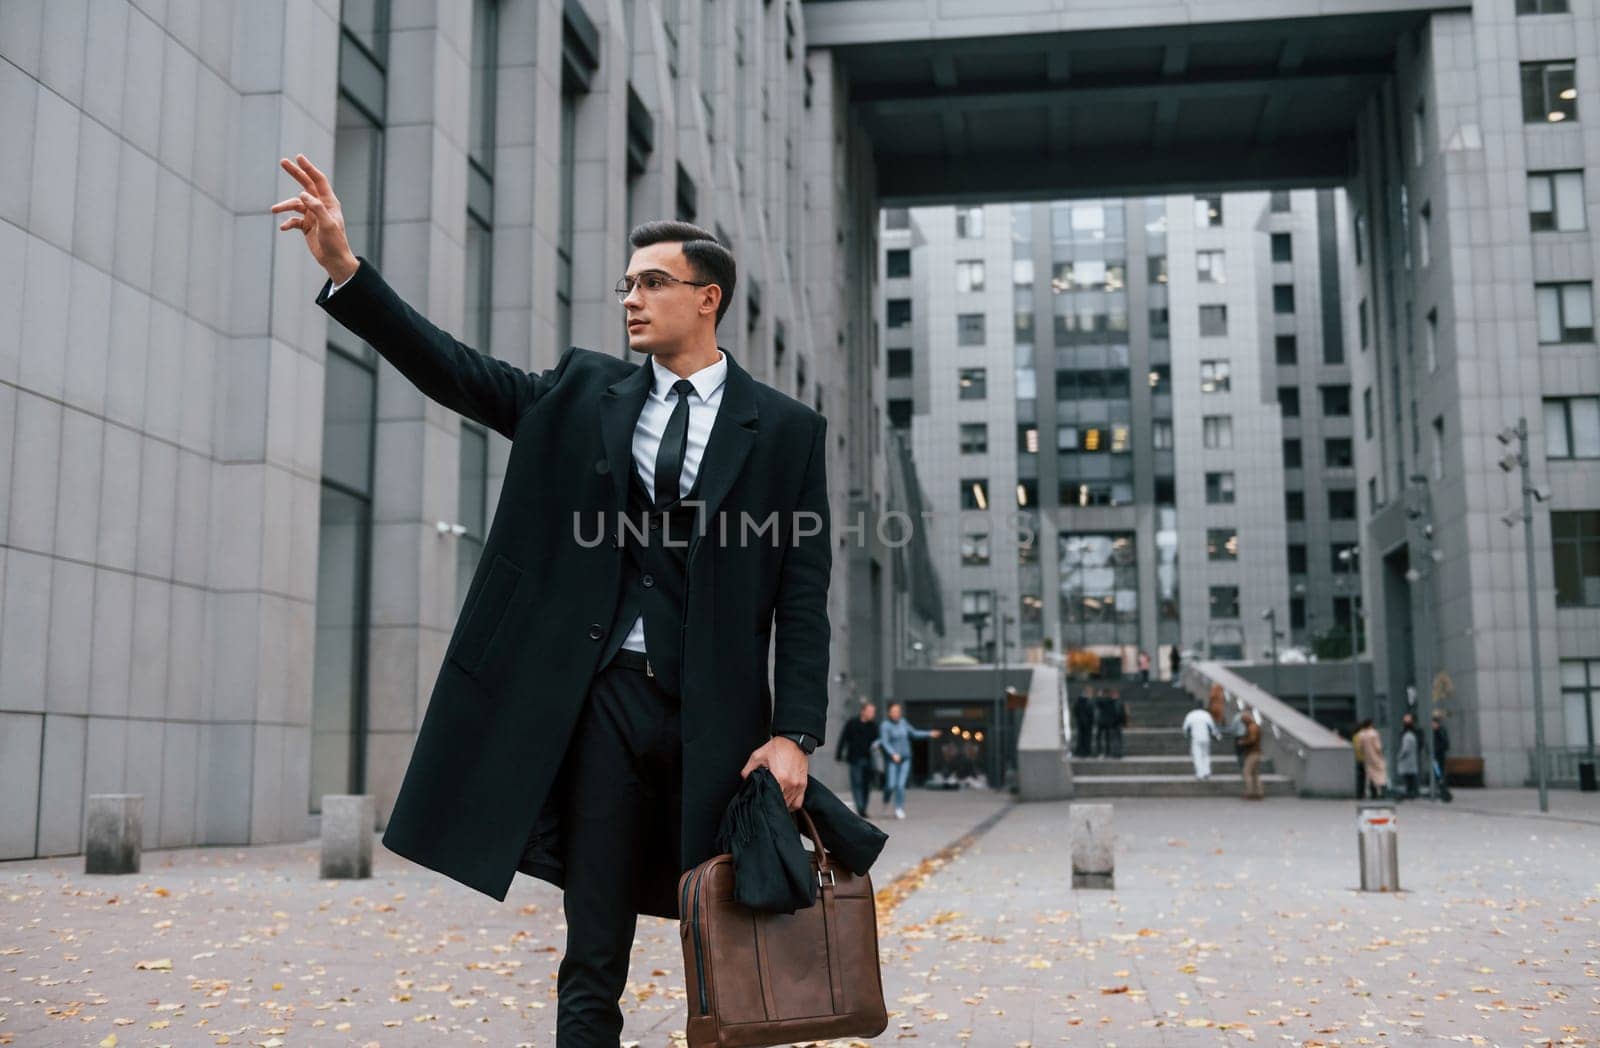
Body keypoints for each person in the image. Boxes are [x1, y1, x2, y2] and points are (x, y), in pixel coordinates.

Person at [273, 156, 834, 1045]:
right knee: (592, 949)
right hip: (601, 706)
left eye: (654, 283)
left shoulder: (789, 432)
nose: (631, 300)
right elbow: (455, 371)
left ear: (708, 299)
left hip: (719, 726)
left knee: (730, 951)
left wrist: (793, 733)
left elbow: (804, 598)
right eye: (627, 284)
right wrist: (347, 271)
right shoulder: (582, 393)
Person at [878, 703, 942, 818]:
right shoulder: (885, 725)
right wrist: (893, 754)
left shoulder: (903, 723)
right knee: (891, 785)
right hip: (892, 759)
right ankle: (886, 800)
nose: (896, 714)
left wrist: (929, 733)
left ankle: (899, 808)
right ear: (889, 713)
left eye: (898, 711)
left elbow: (914, 733)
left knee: (901, 785)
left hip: (905, 759)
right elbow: (884, 742)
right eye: (894, 711)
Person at [835, 703, 879, 817]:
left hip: (869, 759)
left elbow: (878, 742)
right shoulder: (852, 723)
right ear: (863, 711)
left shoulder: (874, 726)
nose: (872, 714)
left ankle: (863, 806)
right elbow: (843, 738)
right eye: (870, 711)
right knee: (857, 783)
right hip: (855, 759)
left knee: (866, 784)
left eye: (873, 712)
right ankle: (860, 808)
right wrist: (839, 754)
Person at [1182, 701, 1220, 780]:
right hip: (1205, 737)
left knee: (1197, 756)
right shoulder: (1206, 714)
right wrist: (1216, 734)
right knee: (1206, 755)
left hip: (1196, 738)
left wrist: (1185, 735)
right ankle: (1207, 771)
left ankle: (1200, 773)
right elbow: (1212, 726)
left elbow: (1185, 727)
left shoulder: (1191, 715)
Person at [1353, 719, 1388, 799]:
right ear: (1370, 725)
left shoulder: (1361, 735)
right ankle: (1382, 793)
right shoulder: (1374, 734)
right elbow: (1378, 747)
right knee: (1381, 775)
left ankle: (1374, 794)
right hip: (1376, 757)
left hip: (1367, 758)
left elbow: (1359, 747)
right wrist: (1381, 753)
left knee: (1371, 776)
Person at [1237, 710, 1264, 800]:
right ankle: (1259, 792)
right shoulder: (1253, 726)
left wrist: (1243, 742)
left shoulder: (1252, 727)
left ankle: (1250, 792)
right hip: (1256, 752)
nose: (1242, 722)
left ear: (1247, 718)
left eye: (1243, 720)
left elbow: (1252, 739)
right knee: (1255, 773)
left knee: (1246, 772)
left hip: (1253, 753)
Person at [1396, 713, 1422, 800]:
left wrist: (1399, 756)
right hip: (1412, 759)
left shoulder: (1407, 736)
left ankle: (1410, 793)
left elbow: (1405, 749)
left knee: (1408, 778)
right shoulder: (1413, 735)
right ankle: (1413, 792)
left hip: (1407, 761)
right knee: (1411, 777)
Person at [1431, 712, 1454, 803]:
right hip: (1436, 757)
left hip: (1438, 757)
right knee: (1438, 775)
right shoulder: (1437, 731)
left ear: (1437, 723)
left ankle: (1444, 793)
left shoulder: (1440, 731)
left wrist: (1436, 750)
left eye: (1433, 723)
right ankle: (1443, 792)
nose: (1432, 725)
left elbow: (1444, 744)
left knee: (1439, 775)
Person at [1092, 688, 1118, 758]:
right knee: (1107, 738)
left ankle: (1100, 752)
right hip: (1107, 722)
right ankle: (1107, 752)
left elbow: (1097, 703)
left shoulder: (1103, 700)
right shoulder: (1111, 701)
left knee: (1100, 738)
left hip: (1102, 722)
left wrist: (1099, 696)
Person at [1071, 690, 1095, 758]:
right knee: (1086, 738)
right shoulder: (1089, 702)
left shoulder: (1078, 702)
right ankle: (1086, 752)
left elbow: (1075, 711)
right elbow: (1091, 713)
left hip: (1080, 723)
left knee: (1080, 738)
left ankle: (1079, 751)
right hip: (1087, 723)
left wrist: (1078, 719)